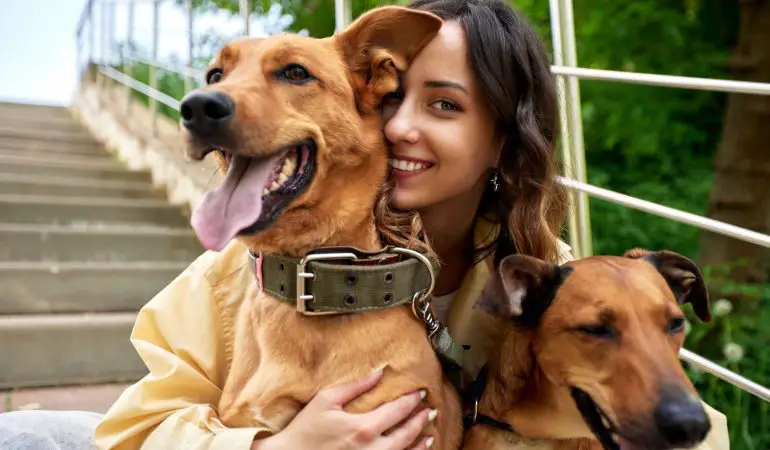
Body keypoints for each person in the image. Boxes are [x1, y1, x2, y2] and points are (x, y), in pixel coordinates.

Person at [0, 0, 730, 449]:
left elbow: (683, 419)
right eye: (388, 98)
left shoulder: (553, 281)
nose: (398, 126)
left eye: (443, 106)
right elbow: (133, 429)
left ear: (504, 137)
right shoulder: (240, 263)